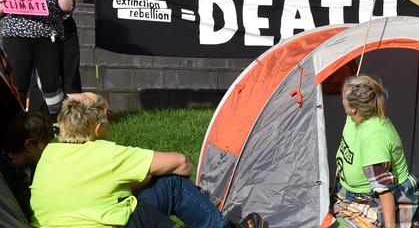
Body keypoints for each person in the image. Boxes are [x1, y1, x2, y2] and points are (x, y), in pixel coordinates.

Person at [29, 92, 264, 228]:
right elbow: (182, 162)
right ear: (98, 128)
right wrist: (149, 174)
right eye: (108, 116)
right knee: (171, 183)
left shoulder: (48, 155)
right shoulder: (106, 154)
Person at [332, 75, 417, 228]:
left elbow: (384, 191)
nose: (341, 98)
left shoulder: (373, 139)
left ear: (354, 108)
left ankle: (402, 220)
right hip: (348, 193)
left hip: (374, 200)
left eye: (343, 96)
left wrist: (391, 226)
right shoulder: (355, 117)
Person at [1, 0, 75, 118]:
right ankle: (15, 121)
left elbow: (67, 7)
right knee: (18, 81)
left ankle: (52, 121)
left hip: (48, 37)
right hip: (17, 37)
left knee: (50, 82)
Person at [0, 111, 52, 222]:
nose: (49, 149)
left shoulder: (28, 168)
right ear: (28, 145)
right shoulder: (5, 175)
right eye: (46, 143)